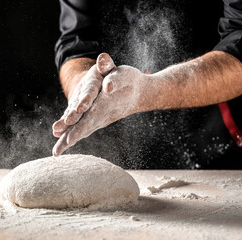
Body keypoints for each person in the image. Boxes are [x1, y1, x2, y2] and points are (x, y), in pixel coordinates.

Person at [52, 0, 242, 168]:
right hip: (131, 126)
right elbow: (76, 40)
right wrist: (83, 85)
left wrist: (148, 91)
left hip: (223, 126)